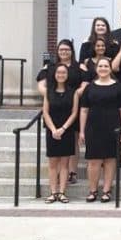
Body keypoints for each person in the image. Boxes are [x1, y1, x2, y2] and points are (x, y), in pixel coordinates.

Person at [79, 57, 121, 203]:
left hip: (113, 127)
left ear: (110, 68)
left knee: (110, 160)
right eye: (100, 66)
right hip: (93, 127)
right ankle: (93, 190)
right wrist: (82, 131)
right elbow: (83, 111)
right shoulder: (90, 87)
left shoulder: (118, 87)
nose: (103, 68)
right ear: (96, 68)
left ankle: (107, 190)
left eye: (106, 66)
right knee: (93, 161)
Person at [36, 39, 84, 185]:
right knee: (55, 140)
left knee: (73, 140)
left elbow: (86, 83)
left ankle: (72, 172)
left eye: (67, 49)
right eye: (61, 49)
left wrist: (73, 95)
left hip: (72, 106)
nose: (64, 52)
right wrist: (52, 96)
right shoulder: (49, 67)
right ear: (57, 51)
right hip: (54, 107)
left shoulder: (79, 67)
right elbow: (40, 84)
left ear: (72, 51)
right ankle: (56, 173)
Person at [42, 63, 79, 203]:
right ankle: (53, 192)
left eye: (64, 73)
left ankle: (62, 192)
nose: (61, 75)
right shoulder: (48, 92)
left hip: (67, 130)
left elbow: (74, 113)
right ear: (55, 75)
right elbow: (45, 111)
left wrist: (63, 129)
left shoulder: (73, 92)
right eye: (58, 73)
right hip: (52, 130)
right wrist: (53, 129)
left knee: (65, 164)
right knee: (52, 163)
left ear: (67, 75)